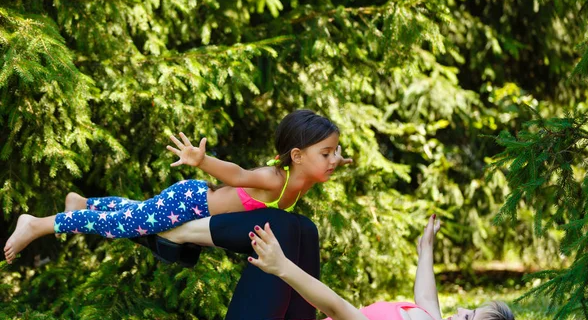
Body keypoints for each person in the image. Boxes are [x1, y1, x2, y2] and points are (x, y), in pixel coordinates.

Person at [156, 210, 529, 320]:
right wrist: (426, 249)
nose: (461, 310)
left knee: (281, 231)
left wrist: (282, 267)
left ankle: (174, 232)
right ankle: (176, 240)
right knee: (304, 229)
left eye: (469, 317)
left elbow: (336, 307)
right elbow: (425, 299)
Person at [3, 110, 352, 263]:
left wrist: (334, 158)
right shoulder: (275, 180)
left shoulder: (301, 180)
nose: (334, 158)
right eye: (326, 152)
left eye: (335, 151)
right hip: (191, 203)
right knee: (123, 226)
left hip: (192, 204)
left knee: (135, 211)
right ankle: (37, 224)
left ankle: (84, 202)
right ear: (297, 155)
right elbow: (237, 175)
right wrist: (203, 161)